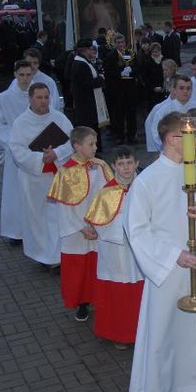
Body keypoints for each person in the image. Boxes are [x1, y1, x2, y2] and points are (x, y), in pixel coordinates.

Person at [126, 112, 196, 392]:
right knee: (165, 333)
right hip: (168, 272)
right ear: (173, 139)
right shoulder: (147, 180)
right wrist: (174, 255)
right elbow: (136, 229)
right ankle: (163, 388)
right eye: (191, 136)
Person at [47, 126, 113, 321]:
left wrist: (97, 223)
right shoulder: (66, 172)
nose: (95, 147)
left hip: (97, 226)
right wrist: (81, 226)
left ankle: (98, 298)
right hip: (76, 230)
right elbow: (65, 206)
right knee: (79, 268)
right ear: (77, 146)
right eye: (90, 144)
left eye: (95, 143)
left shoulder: (100, 166)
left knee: (98, 263)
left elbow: (108, 194)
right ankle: (81, 303)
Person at [84, 145, 144, 349]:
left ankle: (142, 333)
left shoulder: (145, 188)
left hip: (142, 253)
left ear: (136, 163)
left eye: (129, 163)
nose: (126, 168)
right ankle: (119, 334)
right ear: (113, 166)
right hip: (117, 252)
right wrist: (129, 228)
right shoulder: (106, 193)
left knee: (140, 292)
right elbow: (102, 225)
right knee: (118, 294)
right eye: (121, 164)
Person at [9, 83, 74, 267]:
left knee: (57, 217)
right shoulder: (20, 123)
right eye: (39, 98)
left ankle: (58, 257)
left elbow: (72, 142)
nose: (44, 101)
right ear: (30, 98)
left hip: (57, 176)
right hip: (34, 180)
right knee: (37, 218)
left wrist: (57, 154)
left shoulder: (59, 118)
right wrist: (41, 159)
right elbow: (17, 150)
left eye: (46, 97)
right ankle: (42, 256)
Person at [0, 60, 34, 245]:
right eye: (21, 75)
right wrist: (12, 142)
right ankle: (15, 231)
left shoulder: (37, 94)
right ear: (15, 75)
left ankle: (34, 229)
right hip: (15, 151)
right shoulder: (4, 98)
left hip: (35, 151)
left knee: (33, 193)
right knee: (14, 192)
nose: (25, 79)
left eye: (28, 75)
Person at [146, 74, 196, 152]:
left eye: (188, 88)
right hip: (172, 152)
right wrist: (168, 149)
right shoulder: (164, 111)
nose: (185, 91)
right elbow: (156, 133)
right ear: (174, 90)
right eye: (181, 88)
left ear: (192, 90)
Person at [102, 33, 139, 144]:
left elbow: (137, 67)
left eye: (122, 42)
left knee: (131, 113)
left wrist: (131, 72)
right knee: (119, 114)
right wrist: (120, 74)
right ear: (114, 44)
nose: (121, 44)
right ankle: (120, 136)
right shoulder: (111, 56)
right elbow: (108, 72)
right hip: (118, 89)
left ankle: (132, 135)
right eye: (118, 42)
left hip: (130, 88)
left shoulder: (131, 54)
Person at [70, 38, 106, 151]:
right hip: (86, 104)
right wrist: (100, 79)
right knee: (89, 128)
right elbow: (87, 83)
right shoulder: (80, 64)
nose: (93, 52)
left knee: (94, 127)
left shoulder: (84, 62)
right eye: (91, 49)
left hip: (90, 103)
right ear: (85, 50)